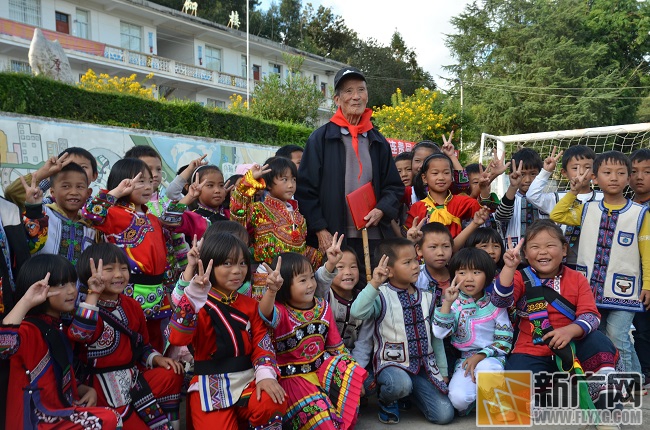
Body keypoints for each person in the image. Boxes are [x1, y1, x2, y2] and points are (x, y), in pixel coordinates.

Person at [493, 220, 621, 411]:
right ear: (525, 253)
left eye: (550, 246)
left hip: (573, 346)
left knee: (598, 341)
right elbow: (500, 301)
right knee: (514, 402)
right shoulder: (519, 277)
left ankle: (606, 400)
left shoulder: (577, 278)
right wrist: (510, 267)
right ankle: (544, 390)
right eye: (535, 247)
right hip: (531, 348)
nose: (543, 252)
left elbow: (591, 316)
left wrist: (570, 331)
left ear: (564, 250)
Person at [169, 233, 286, 429]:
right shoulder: (197, 303)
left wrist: (265, 375)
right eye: (228, 264)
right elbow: (177, 337)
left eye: (242, 263)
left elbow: (262, 342)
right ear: (209, 265)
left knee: (272, 400)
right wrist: (192, 298)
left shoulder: (249, 305)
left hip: (248, 379)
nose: (237, 271)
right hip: (210, 385)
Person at [550, 151, 650, 375]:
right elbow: (557, 214)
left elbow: (647, 253)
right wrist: (574, 191)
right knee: (604, 335)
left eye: (620, 173)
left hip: (626, 290)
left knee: (618, 335)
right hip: (590, 289)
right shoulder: (587, 210)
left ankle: (629, 379)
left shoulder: (641, 213)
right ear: (595, 177)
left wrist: (648, 285)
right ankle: (633, 376)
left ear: (628, 178)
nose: (614, 178)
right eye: (607, 173)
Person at [296, 66, 404, 266]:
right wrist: (320, 229)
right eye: (348, 91)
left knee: (372, 290)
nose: (356, 96)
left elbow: (394, 187)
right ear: (337, 100)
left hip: (373, 236)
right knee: (338, 291)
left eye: (361, 90)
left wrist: (381, 209)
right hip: (334, 237)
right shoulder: (321, 139)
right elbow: (305, 190)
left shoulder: (378, 141)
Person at [0, 254, 122, 429]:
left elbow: (81, 333)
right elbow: (3, 348)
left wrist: (84, 389)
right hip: (34, 418)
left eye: (73, 283)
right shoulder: (29, 329)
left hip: (59, 409)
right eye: (61, 285)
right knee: (109, 419)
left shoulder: (60, 327)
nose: (72, 291)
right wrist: (26, 301)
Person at [70, 243, 184, 429]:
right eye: (109, 269)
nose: (118, 274)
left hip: (133, 379)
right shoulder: (85, 308)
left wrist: (157, 359)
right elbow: (80, 334)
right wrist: (93, 294)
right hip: (99, 387)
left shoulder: (132, 306)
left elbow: (143, 346)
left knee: (172, 372)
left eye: (123, 268)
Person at [82, 158, 185, 353]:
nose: (148, 186)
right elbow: (90, 215)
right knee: (128, 340)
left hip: (157, 290)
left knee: (155, 341)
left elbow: (165, 252)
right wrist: (115, 193)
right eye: (140, 181)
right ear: (123, 182)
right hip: (129, 290)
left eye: (149, 181)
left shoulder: (152, 218)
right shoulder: (114, 214)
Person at [350, 238, 454, 425]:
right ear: (389, 270)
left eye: (415, 260)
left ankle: (408, 396)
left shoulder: (428, 297)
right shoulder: (380, 295)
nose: (415, 266)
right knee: (399, 384)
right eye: (407, 262)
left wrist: (443, 370)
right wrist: (374, 283)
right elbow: (357, 312)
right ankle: (388, 399)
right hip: (392, 365)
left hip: (423, 368)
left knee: (444, 415)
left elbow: (435, 338)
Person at [259, 252, 366, 430]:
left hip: (321, 370)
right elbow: (264, 313)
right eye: (302, 280)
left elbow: (336, 347)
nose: (310, 285)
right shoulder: (281, 311)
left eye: (311, 277)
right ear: (284, 285)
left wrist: (354, 378)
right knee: (326, 424)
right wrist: (271, 291)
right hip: (294, 379)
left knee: (351, 373)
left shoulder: (323, 306)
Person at [432, 248, 513, 415]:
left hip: (491, 359)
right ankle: (481, 400)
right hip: (465, 362)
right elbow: (439, 333)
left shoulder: (495, 304)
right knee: (458, 399)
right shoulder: (454, 304)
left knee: (486, 370)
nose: (469, 278)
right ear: (454, 275)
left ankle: (497, 401)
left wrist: (481, 355)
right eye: (462, 272)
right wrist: (447, 303)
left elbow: (505, 339)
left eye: (476, 272)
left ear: (488, 276)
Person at [231, 159, 321, 300]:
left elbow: (301, 249)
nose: (291, 185)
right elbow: (238, 215)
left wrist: (323, 257)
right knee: (265, 316)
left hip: (296, 279)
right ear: (268, 184)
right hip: (267, 276)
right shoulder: (259, 209)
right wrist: (248, 181)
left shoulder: (299, 216)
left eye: (293, 179)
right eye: (284, 179)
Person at [526, 145, 602, 267]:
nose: (581, 172)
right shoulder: (557, 198)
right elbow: (532, 195)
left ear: (594, 172)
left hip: (595, 260)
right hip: (562, 261)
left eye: (587, 167)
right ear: (564, 173)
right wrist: (546, 172)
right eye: (575, 168)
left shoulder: (603, 198)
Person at [21, 163, 96, 265]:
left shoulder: (92, 226)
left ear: (88, 193)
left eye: (80, 187)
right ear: (52, 192)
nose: (74, 192)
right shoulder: (42, 214)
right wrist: (33, 207)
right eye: (66, 186)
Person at [403, 153, 488, 240]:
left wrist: (484, 188)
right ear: (424, 178)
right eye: (435, 173)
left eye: (446, 173)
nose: (441, 177)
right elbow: (408, 235)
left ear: (452, 176)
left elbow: (484, 210)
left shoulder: (461, 201)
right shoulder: (417, 207)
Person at [4, 147, 99, 212]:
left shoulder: (98, 209)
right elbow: (12, 194)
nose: (75, 171)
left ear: (94, 175)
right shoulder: (46, 205)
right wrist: (45, 173)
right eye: (67, 166)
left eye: (83, 167)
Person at [494, 147, 545, 246]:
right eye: (522, 174)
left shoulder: (548, 199)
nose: (528, 180)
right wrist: (513, 186)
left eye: (533, 174)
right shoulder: (510, 199)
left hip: (543, 254)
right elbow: (501, 216)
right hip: (514, 255)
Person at [630, 148, 650, 387]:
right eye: (634, 171)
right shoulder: (625, 207)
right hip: (633, 280)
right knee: (642, 330)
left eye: (647, 171)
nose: (639, 177)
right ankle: (645, 371)